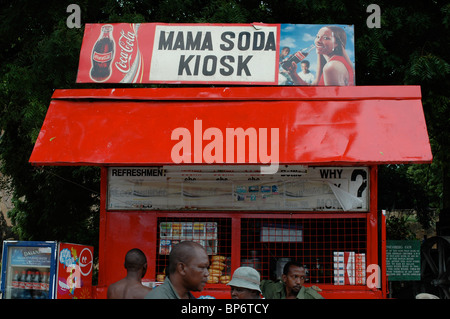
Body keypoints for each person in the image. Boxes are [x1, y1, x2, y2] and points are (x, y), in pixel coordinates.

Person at [288, 26, 354, 86]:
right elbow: (314, 87)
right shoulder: (334, 62)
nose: (318, 41)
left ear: (337, 43)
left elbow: (334, 97)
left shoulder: (332, 66)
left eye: (325, 38)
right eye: (318, 37)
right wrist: (293, 74)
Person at [145, 241, 209, 299]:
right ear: (182, 268)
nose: (207, 274)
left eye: (207, 268)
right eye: (202, 267)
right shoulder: (157, 297)